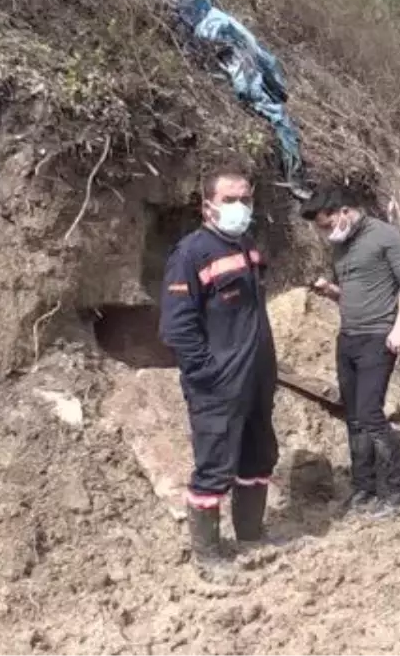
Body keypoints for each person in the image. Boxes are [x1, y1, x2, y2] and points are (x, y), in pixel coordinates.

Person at [159, 171, 279, 574]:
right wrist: (208, 374)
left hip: (257, 377)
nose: (240, 207)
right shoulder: (191, 254)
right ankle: (208, 556)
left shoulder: (247, 246)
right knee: (214, 465)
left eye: (245, 198)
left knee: (259, 455)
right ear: (207, 205)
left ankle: (250, 534)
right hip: (218, 383)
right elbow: (177, 327)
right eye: (230, 199)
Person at [303, 184, 400, 519]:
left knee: (369, 414)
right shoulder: (341, 246)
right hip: (348, 337)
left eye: (326, 225)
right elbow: (355, 292)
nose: (324, 233)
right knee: (353, 416)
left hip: (378, 338)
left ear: (343, 212)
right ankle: (364, 488)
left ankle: (399, 489)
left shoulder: (385, 236)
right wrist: (331, 291)